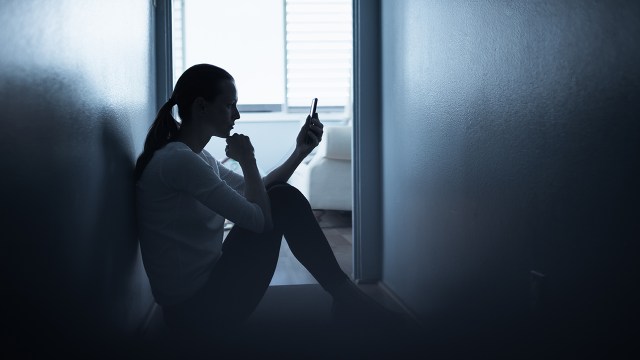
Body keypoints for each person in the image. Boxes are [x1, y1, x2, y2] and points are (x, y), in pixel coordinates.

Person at [134, 64, 397, 349]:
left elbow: (259, 188)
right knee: (281, 199)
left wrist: (300, 151)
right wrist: (247, 158)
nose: (237, 115)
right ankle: (347, 297)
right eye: (229, 105)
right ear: (201, 107)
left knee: (281, 195)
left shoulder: (195, 158)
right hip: (195, 315)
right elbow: (261, 221)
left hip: (200, 299)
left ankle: (345, 297)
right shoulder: (179, 161)